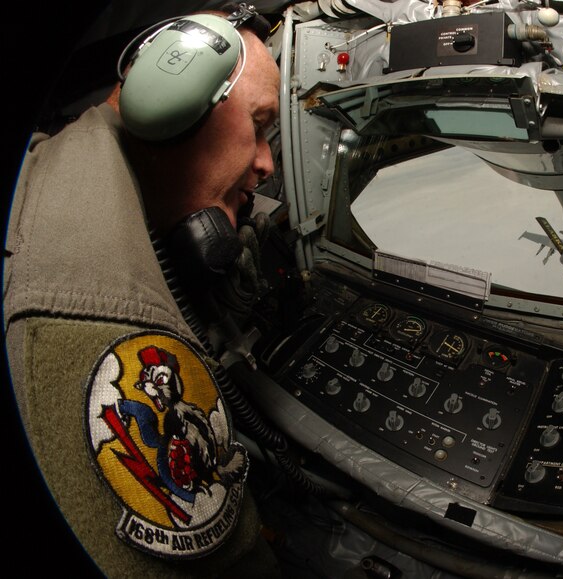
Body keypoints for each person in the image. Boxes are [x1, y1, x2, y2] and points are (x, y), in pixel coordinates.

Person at [3, 3, 282, 576]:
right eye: (259, 126)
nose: (267, 164)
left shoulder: (60, 154)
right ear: (170, 106)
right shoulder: (110, 329)